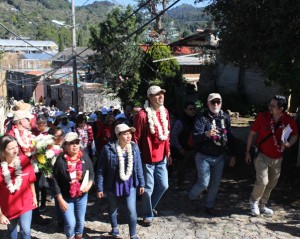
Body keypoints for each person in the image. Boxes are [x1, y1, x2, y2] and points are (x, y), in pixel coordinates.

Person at [245, 95, 298, 216]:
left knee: (271, 183)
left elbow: (295, 135)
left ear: (281, 108)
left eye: (273, 106)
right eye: (270, 104)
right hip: (262, 155)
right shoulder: (262, 117)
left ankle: (263, 205)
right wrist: (247, 151)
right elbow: (252, 133)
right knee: (263, 181)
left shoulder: (289, 120)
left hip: (278, 157)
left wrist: (289, 144)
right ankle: (253, 202)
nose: (270, 107)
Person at [188, 93, 236, 215]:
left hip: (219, 155)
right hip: (203, 155)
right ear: (208, 103)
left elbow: (229, 136)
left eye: (218, 102)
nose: (216, 105)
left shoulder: (225, 117)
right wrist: (206, 134)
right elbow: (195, 136)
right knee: (204, 183)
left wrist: (233, 154)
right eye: (213, 102)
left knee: (215, 183)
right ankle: (191, 197)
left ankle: (209, 205)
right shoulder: (201, 117)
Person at [97, 124, 145, 239]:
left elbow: (138, 166)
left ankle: (133, 234)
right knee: (113, 207)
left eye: (130, 133)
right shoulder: (108, 149)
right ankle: (114, 228)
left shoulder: (134, 147)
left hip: (130, 183)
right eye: (125, 133)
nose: (129, 136)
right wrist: (99, 188)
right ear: (118, 136)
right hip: (113, 183)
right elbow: (100, 170)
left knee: (131, 209)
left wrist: (141, 183)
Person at [133, 85, 172, 226]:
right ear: (150, 97)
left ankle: (148, 207)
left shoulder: (165, 112)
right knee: (148, 188)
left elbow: (167, 133)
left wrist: (168, 151)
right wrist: (136, 159)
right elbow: (135, 138)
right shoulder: (142, 115)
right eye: (157, 94)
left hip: (161, 156)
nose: (161, 96)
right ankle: (147, 214)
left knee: (164, 185)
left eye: (162, 94)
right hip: (147, 158)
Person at [52, 132, 94, 239]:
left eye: (77, 142)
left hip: (82, 196)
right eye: (71, 143)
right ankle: (70, 236)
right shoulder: (60, 161)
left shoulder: (84, 157)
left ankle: (79, 236)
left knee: (80, 221)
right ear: (65, 146)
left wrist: (89, 185)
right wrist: (60, 200)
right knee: (70, 224)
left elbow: (91, 173)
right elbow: (55, 181)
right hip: (66, 198)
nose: (75, 145)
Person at [0, 135, 37, 239]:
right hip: (8, 206)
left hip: (26, 202)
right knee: (12, 232)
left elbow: (31, 180)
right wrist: (1, 214)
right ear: (3, 150)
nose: (15, 150)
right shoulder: (1, 167)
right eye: (11, 148)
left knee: (26, 231)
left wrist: (34, 196)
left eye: (16, 147)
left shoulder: (24, 160)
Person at [170, 101, 196, 189]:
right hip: (183, 150)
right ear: (185, 110)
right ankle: (180, 184)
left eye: (194, 109)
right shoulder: (180, 122)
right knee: (181, 169)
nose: (193, 111)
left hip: (193, 148)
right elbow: (173, 136)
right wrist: (180, 148)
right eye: (190, 109)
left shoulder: (196, 120)